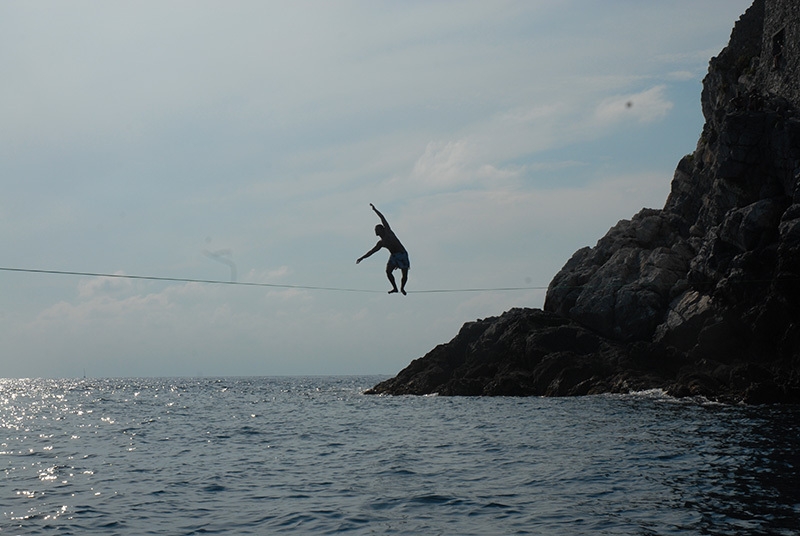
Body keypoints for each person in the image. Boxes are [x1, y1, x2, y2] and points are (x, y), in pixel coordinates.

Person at [356, 203, 410, 295]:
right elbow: (371, 252)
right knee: (388, 271)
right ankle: (395, 288)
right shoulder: (381, 243)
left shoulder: (388, 233)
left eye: (377, 229)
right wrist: (362, 258)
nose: (375, 231)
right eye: (375, 230)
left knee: (404, 273)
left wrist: (375, 210)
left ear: (382, 229)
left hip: (402, 254)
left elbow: (382, 218)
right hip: (393, 256)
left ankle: (402, 288)